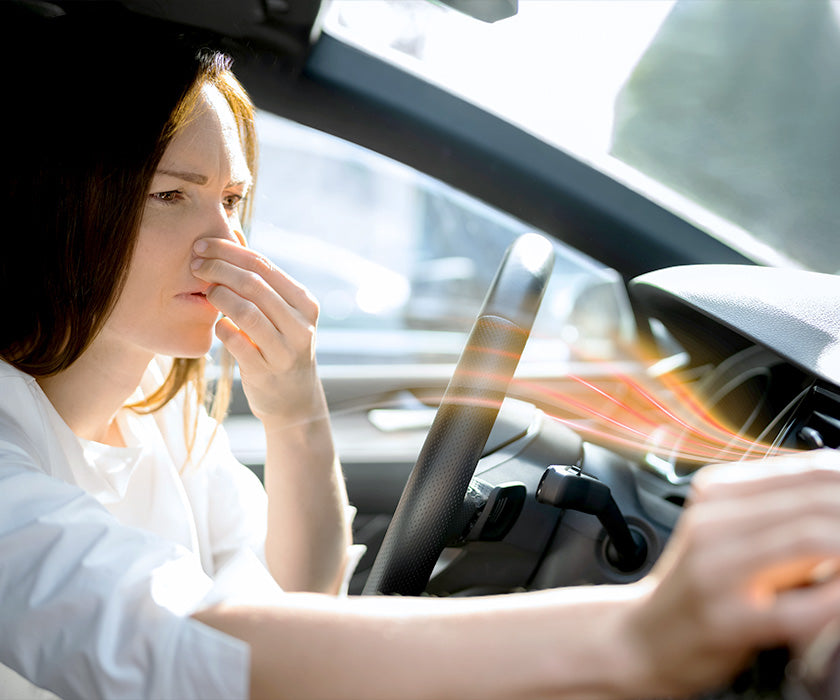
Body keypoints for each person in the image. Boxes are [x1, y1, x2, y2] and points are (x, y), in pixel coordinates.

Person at [2, 4, 840, 700]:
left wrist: (295, 408)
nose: (225, 240)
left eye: (231, 198)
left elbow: (301, 595)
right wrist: (636, 630)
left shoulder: (163, 409)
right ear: (62, 203)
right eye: (170, 196)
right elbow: (179, 639)